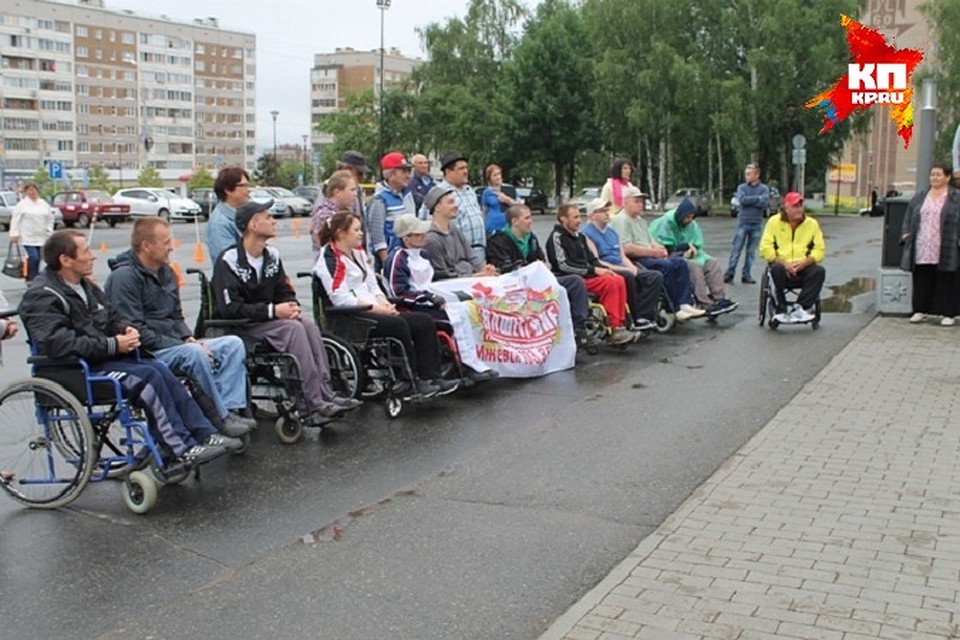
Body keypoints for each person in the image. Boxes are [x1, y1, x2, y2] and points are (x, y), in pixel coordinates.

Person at [19, 230, 238, 466]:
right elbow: (58, 343)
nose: (93, 257)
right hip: (74, 370)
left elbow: (112, 316)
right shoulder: (41, 296)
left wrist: (126, 330)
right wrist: (113, 344)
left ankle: (204, 433)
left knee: (159, 369)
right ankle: (180, 448)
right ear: (65, 260)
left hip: (102, 359)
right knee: (146, 379)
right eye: (86, 252)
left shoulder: (86, 287)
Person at [211, 200, 361, 426]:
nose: (274, 221)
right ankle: (310, 403)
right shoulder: (229, 260)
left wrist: (291, 305)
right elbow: (230, 308)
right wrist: (273, 310)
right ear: (253, 225)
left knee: (308, 325)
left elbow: (283, 289)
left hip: (271, 320)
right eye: (268, 217)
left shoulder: (271, 255)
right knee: (293, 330)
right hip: (244, 324)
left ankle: (326, 393)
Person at [105, 218, 255, 438]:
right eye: (165, 242)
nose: (171, 247)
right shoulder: (124, 277)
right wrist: (183, 345)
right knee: (194, 354)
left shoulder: (166, 272)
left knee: (232, 344)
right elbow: (135, 330)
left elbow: (176, 315)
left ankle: (230, 408)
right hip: (146, 351)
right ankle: (219, 417)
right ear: (146, 246)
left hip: (173, 343)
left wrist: (187, 336)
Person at [316, 211, 458, 396]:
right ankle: (408, 380)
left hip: (373, 308)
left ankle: (432, 377)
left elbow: (373, 285)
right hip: (350, 314)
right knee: (398, 325)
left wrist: (384, 303)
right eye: (357, 230)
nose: (361, 234)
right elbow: (340, 298)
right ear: (341, 233)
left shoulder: (357, 253)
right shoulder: (330, 258)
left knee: (423, 321)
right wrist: (378, 309)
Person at [486, 204, 597, 349]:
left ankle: (578, 328)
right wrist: (529, 267)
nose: (531, 221)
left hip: (537, 280)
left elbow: (540, 259)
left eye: (531, 217)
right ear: (514, 221)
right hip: (515, 285)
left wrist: (539, 267)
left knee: (575, 282)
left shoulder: (531, 238)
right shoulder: (499, 240)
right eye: (527, 218)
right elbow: (504, 268)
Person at [608, 186, 704, 322]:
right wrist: (653, 252)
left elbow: (651, 241)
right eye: (637, 201)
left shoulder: (640, 221)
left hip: (647, 255)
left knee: (680, 263)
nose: (641, 204)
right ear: (626, 202)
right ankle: (674, 308)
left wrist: (661, 249)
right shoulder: (621, 220)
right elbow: (626, 248)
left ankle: (684, 303)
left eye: (642, 201)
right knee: (666, 266)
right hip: (634, 258)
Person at [546, 204, 636, 345]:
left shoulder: (580, 237)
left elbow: (592, 260)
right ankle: (614, 327)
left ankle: (620, 324)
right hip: (572, 278)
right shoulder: (556, 238)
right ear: (563, 219)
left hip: (587, 275)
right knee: (610, 283)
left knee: (617, 278)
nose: (578, 220)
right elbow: (563, 265)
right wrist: (594, 271)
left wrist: (604, 269)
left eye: (579, 217)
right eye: (575, 217)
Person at [649, 198, 738, 316]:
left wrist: (692, 249)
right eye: (687, 217)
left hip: (690, 253)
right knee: (694, 266)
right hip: (669, 255)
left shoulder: (691, 224)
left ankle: (719, 298)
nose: (690, 220)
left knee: (712, 263)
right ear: (681, 215)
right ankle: (705, 302)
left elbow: (697, 242)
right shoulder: (664, 223)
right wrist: (683, 250)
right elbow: (662, 247)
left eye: (692, 217)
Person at [581, 198, 659, 332]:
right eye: (602, 211)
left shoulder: (612, 233)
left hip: (621, 266)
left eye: (607, 210)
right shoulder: (587, 234)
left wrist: (631, 266)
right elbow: (597, 261)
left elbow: (622, 256)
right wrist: (625, 269)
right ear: (592, 215)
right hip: (607, 268)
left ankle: (644, 314)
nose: (607, 213)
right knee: (628, 276)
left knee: (654, 276)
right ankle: (634, 318)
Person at [899, 163, 960, 326]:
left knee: (946, 279)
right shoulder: (921, 196)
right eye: (932, 174)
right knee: (921, 277)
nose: (934, 178)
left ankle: (948, 313)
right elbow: (909, 215)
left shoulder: (955, 197)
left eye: (938, 175)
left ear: (947, 177)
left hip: (946, 244)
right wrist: (906, 233)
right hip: (923, 243)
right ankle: (920, 310)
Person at [759, 192, 827, 324]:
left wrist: (806, 262)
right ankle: (781, 309)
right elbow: (765, 248)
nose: (799, 209)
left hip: (803, 266)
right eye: (795, 206)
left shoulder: (811, 224)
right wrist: (784, 264)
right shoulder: (774, 222)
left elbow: (820, 249)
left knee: (819, 271)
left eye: (801, 205)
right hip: (781, 266)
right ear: (786, 208)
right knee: (775, 269)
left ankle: (801, 307)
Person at [421, 152, 487, 263]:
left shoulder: (469, 191)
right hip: (456, 257)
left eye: (466, 168)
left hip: (479, 253)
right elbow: (426, 222)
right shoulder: (438, 193)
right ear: (448, 172)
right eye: (461, 168)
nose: (465, 172)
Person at [423, 185, 498, 280]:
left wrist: (484, 269)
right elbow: (443, 277)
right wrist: (478, 276)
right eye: (450, 202)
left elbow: (471, 256)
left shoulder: (454, 229)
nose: (456, 205)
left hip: (471, 279)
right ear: (437, 207)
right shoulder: (432, 239)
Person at [366, 151, 416, 268]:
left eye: (408, 171)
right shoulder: (379, 200)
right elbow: (377, 236)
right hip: (390, 260)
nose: (408, 175)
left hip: (407, 257)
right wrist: (387, 263)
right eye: (404, 171)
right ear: (391, 175)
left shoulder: (407, 195)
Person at [725, 164, 769, 284]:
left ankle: (746, 274)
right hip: (743, 222)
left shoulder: (764, 188)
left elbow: (764, 202)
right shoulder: (742, 187)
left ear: (757, 175)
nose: (747, 176)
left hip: (756, 223)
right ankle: (730, 272)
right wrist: (757, 199)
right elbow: (742, 201)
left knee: (751, 252)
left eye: (749, 174)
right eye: (746, 174)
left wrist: (752, 200)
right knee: (736, 248)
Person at [9, 181, 54, 282]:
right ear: (26, 192)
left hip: (42, 236)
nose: (32, 192)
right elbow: (15, 219)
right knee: (33, 257)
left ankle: (31, 274)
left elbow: (50, 218)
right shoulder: (22, 205)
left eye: (33, 190)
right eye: (29, 190)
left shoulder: (43, 204)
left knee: (40, 258)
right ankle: (32, 278)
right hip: (28, 236)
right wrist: (14, 234)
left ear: (37, 191)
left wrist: (49, 229)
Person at [206, 166, 251, 262]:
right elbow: (228, 262)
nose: (248, 190)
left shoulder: (241, 215)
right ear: (228, 190)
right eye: (243, 186)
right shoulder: (220, 223)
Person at [309, 170, 358, 258]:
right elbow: (326, 244)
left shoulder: (346, 211)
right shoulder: (324, 216)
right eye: (352, 190)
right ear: (337, 192)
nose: (355, 194)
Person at [481, 164, 516, 237]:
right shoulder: (487, 192)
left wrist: (507, 200)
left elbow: (519, 206)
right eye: (494, 175)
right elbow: (484, 212)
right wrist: (483, 228)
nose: (498, 177)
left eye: (498, 174)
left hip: (508, 226)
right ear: (489, 178)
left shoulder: (509, 188)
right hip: (492, 228)